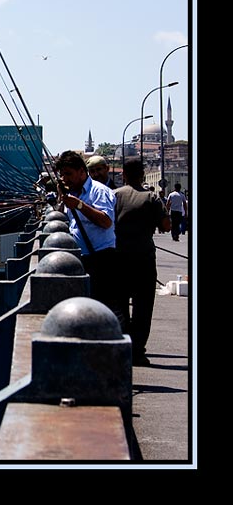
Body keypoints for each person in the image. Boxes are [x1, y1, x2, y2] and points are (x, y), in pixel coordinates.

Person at [54, 150, 123, 326]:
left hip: (101, 258)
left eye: (69, 174)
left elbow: (106, 221)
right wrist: (62, 197)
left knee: (103, 309)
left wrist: (79, 205)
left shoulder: (99, 192)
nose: (66, 179)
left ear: (82, 171)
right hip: (82, 258)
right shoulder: (72, 193)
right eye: (63, 176)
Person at [113, 159, 170, 367]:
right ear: (143, 175)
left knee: (120, 306)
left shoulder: (115, 196)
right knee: (143, 307)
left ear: (124, 175)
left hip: (119, 259)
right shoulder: (152, 197)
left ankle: (124, 346)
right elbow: (165, 225)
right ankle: (138, 350)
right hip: (144, 259)